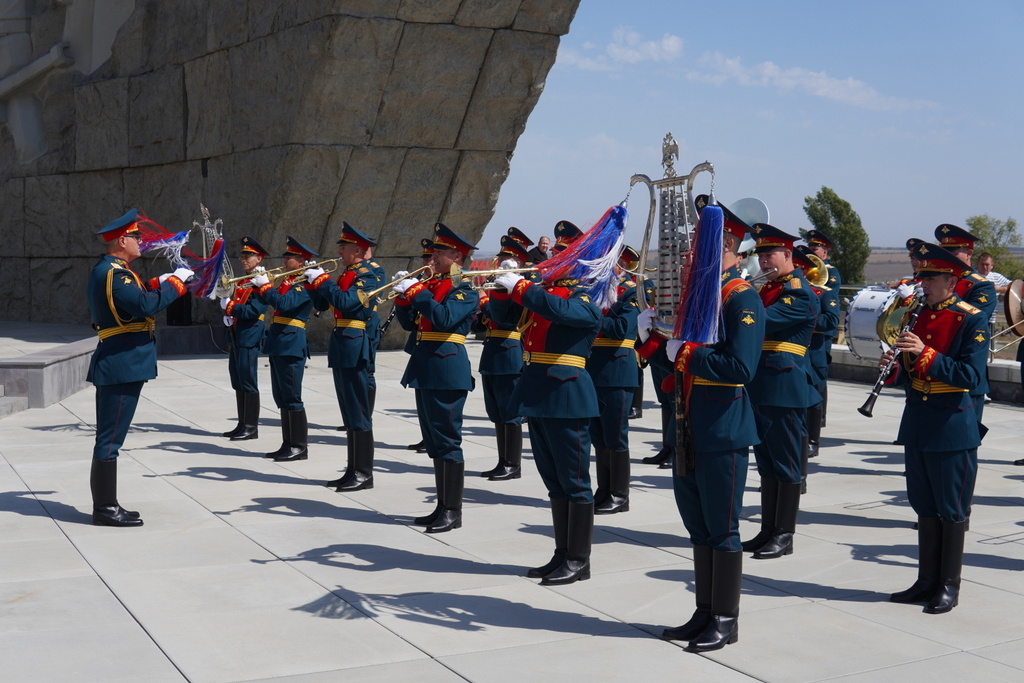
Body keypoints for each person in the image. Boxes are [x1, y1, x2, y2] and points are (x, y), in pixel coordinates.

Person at [637, 200, 765, 652]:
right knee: (698, 525)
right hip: (688, 424)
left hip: (722, 428)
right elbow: (673, 360)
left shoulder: (741, 297)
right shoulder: (700, 293)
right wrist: (650, 338)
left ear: (725, 244)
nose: (689, 251)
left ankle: (725, 619)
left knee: (722, 527)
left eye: (697, 242)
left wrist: (684, 352)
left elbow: (741, 366)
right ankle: (704, 611)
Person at [881, 242, 988, 614]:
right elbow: (910, 374)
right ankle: (925, 580)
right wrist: (894, 366)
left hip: (952, 422)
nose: (922, 284)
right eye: (921, 276)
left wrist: (924, 354)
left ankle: (948, 584)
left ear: (950, 279)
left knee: (950, 507)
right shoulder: (916, 314)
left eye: (929, 278)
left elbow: (972, 377)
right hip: (919, 419)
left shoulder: (970, 318)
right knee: (923, 505)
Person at [491, 245, 603, 586]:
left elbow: (561, 311)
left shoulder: (583, 298)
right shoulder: (543, 295)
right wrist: (501, 289)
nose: (546, 265)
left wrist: (524, 288)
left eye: (556, 259)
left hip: (567, 397)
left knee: (575, 482)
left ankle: (579, 558)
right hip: (539, 394)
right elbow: (504, 319)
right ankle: (562, 553)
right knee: (554, 482)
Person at [87, 209, 193, 527]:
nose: (141, 241)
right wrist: (174, 283)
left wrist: (156, 282)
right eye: (137, 236)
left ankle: (108, 504)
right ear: (122, 240)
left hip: (124, 360)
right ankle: (104, 508)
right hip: (122, 362)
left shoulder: (116, 271)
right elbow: (144, 306)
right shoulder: (114, 273)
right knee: (110, 439)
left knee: (111, 437)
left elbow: (134, 298)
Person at [741, 223, 819, 560]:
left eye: (770, 253)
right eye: (760, 254)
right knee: (767, 464)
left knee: (786, 464)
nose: (764, 260)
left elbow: (760, 322)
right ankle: (768, 530)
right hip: (761, 384)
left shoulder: (799, 292)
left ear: (788, 254)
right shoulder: (768, 288)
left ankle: (784, 535)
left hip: (783, 387)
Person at [394, 223, 479, 533]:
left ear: (457, 255)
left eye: (439, 252)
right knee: (433, 442)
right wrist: (404, 298)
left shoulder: (465, 288)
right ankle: (442, 506)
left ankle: (453, 511)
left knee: (447, 441)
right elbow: (409, 325)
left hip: (447, 369)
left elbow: (443, 320)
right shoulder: (432, 285)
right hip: (426, 368)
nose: (432, 257)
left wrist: (417, 292)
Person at [305, 222, 384, 492]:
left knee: (360, 413)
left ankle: (364, 473)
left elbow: (348, 303)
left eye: (344, 247)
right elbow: (323, 305)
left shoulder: (371, 273)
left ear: (359, 250)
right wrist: (312, 285)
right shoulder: (348, 273)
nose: (339, 251)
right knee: (349, 413)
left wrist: (323, 281)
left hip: (355, 344)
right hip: (342, 344)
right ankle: (352, 469)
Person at [251, 236, 316, 462]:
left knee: (292, 396)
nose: (285, 260)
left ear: (301, 260)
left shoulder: (305, 283)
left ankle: (299, 446)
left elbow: (284, 304)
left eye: (289, 257)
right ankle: (288, 443)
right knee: (281, 396)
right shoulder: (287, 281)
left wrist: (266, 286)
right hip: (279, 342)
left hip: (292, 343)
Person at [587, 247, 641, 515]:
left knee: (616, 437)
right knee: (599, 437)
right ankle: (603, 489)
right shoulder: (597, 291)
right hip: (594, 369)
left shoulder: (632, 293)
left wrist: (591, 312)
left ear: (624, 267)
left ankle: (619, 494)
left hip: (617, 372)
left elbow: (622, 329)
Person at [477, 233, 531, 481]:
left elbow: (509, 314)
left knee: (510, 413)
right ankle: (503, 460)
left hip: (510, 349)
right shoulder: (496, 281)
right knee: (497, 412)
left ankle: (513, 464)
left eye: (506, 257)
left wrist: (485, 301)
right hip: (493, 348)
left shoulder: (522, 284)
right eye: (501, 256)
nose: (500, 261)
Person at [219, 236, 269, 441]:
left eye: (248, 256)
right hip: (237, 334)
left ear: (259, 258)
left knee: (248, 380)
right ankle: (242, 423)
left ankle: (251, 426)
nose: (243, 259)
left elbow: (255, 309)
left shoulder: (262, 280)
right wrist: (228, 316)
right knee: (237, 379)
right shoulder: (244, 280)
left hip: (250, 334)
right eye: (242, 255)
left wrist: (230, 308)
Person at [794, 245, 839, 470]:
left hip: (815, 353)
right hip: (797, 353)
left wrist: (804, 321)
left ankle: (813, 440)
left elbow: (831, 321)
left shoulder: (825, 293)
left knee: (815, 397)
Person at [804, 229, 840, 429]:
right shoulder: (806, 270)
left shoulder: (831, 272)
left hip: (820, 335)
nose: (812, 251)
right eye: (810, 247)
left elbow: (828, 296)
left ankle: (819, 420)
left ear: (824, 252)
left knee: (818, 375)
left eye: (815, 248)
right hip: (806, 335)